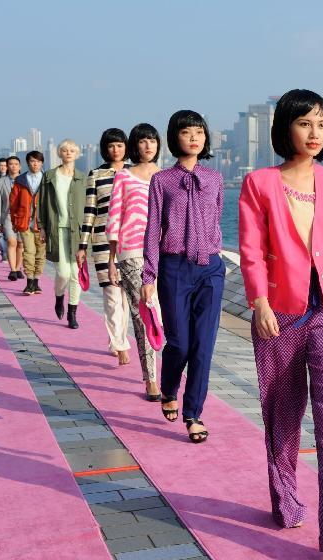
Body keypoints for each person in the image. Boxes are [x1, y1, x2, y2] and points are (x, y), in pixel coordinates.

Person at [238, 89, 323, 560]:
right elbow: (251, 249)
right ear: (286, 127)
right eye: (306, 123)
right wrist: (259, 302)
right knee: (283, 413)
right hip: (281, 312)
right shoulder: (259, 183)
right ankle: (286, 499)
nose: (315, 134)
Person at [141, 110, 224, 444]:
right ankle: (169, 386)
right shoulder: (161, 181)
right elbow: (152, 230)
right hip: (174, 267)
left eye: (200, 132)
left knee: (203, 345)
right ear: (174, 137)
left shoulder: (215, 179)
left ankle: (194, 414)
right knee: (179, 343)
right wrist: (149, 275)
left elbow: (216, 219)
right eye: (187, 132)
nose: (194, 137)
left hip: (211, 268)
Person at [108, 123, 161, 401]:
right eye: (142, 141)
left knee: (165, 317)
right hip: (132, 253)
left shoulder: (166, 176)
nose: (148, 146)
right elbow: (115, 218)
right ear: (134, 145)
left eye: (152, 140)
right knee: (145, 316)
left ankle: (168, 374)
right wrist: (111, 259)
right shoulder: (124, 177)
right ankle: (151, 379)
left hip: (166, 253)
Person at [78, 129, 132, 364]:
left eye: (119, 145)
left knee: (127, 296)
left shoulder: (133, 172)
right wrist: (82, 246)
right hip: (101, 240)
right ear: (104, 148)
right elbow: (89, 211)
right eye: (111, 146)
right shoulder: (96, 175)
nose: (115, 150)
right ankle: (121, 345)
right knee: (112, 294)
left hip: (130, 241)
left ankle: (117, 339)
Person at [39, 140, 86, 329]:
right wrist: (42, 226)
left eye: (72, 150)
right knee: (64, 273)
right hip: (56, 230)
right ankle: (59, 297)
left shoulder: (83, 178)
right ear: (59, 153)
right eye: (64, 150)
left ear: (77, 154)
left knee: (76, 274)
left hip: (77, 232)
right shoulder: (50, 176)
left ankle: (72, 314)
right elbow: (42, 203)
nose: (68, 153)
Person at [10, 151, 46, 294]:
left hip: (42, 224)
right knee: (29, 252)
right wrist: (14, 221)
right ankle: (29, 282)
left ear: (42, 163)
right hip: (24, 222)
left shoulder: (47, 179)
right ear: (27, 163)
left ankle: (36, 282)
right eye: (32, 161)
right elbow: (13, 203)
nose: (35, 163)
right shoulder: (20, 180)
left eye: (37, 161)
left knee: (40, 254)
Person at [0, 156, 24, 280]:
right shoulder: (0, 182)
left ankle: (18, 268)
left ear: (20, 166)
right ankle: (12, 270)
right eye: (10, 164)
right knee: (11, 242)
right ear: (7, 166)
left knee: (21, 244)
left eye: (16, 164)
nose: (13, 166)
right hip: (7, 215)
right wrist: (0, 222)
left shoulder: (25, 180)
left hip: (23, 216)